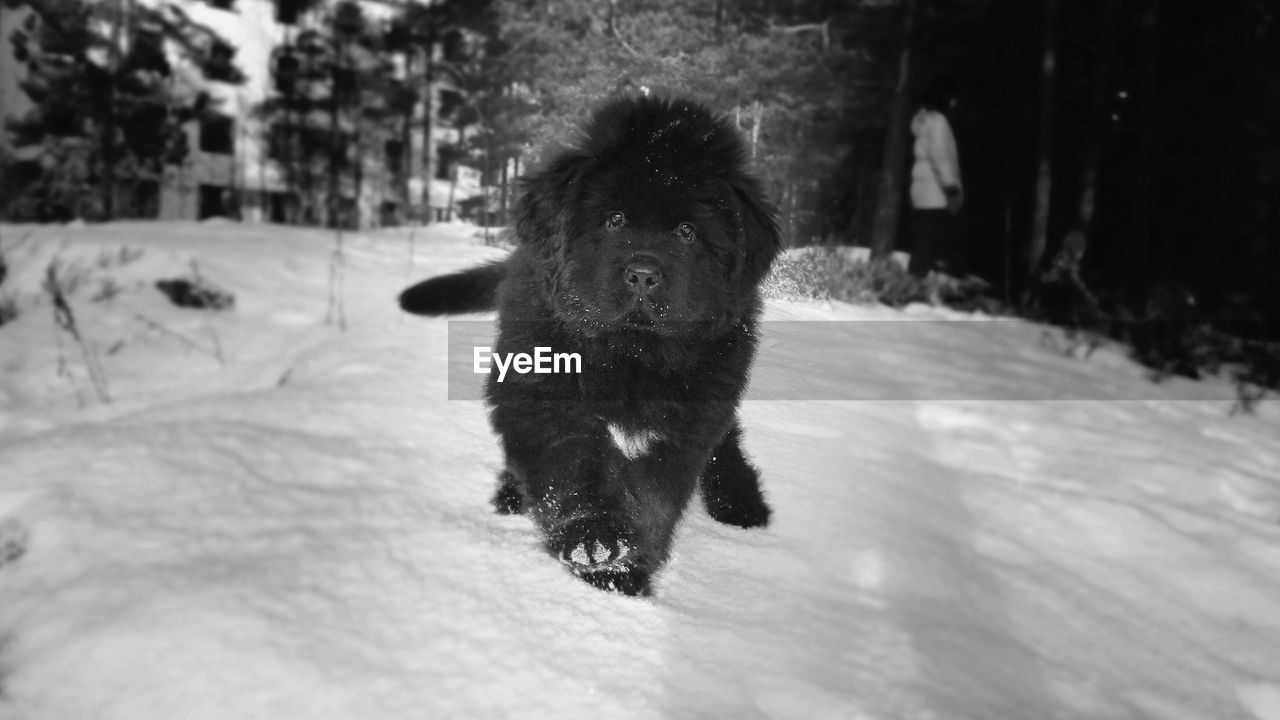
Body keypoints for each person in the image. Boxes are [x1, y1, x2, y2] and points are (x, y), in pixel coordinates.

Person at [907, 77, 965, 284]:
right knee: (930, 240)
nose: (954, 103)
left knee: (924, 239)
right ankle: (916, 283)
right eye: (952, 99)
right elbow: (940, 154)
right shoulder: (939, 121)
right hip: (935, 190)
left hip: (921, 187)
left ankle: (917, 281)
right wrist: (951, 186)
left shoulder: (924, 122)